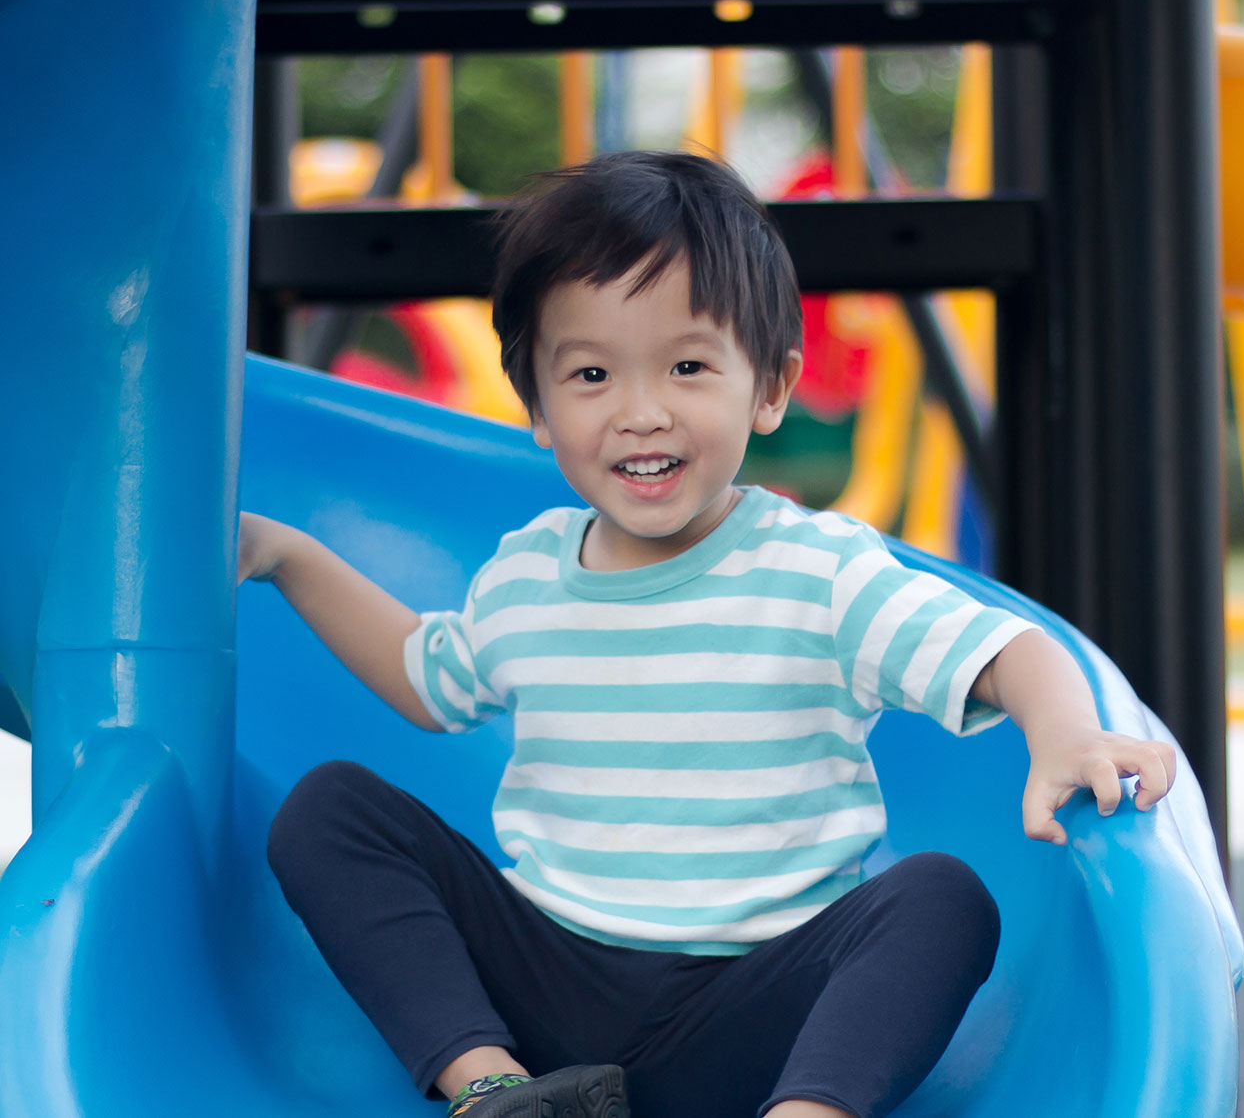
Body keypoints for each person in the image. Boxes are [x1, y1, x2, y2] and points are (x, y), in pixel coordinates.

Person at [240, 150, 1179, 1118]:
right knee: (332, 808)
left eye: (688, 366)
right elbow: (423, 679)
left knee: (939, 896)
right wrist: (289, 555)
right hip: (546, 984)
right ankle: (494, 1092)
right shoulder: (526, 570)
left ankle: (807, 1113)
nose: (642, 412)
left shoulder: (816, 568)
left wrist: (1065, 730)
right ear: (538, 407)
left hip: (752, 1006)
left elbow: (1007, 649)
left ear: (768, 387)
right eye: (592, 373)